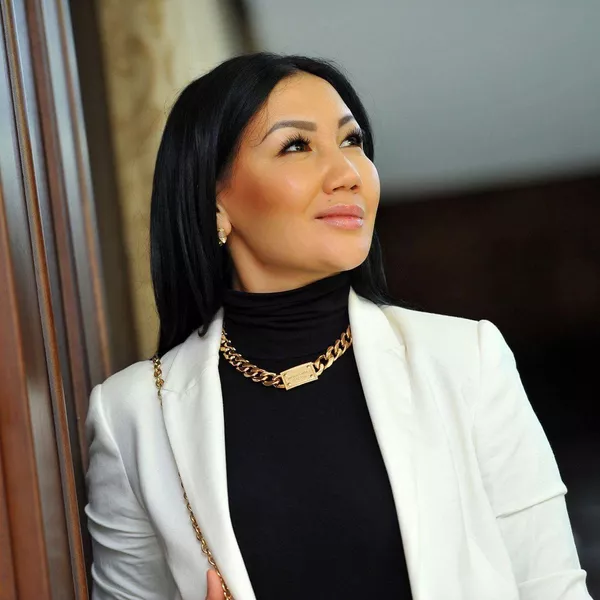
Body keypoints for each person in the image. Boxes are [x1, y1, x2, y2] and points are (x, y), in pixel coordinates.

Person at [85, 53, 592, 600]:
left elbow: (553, 588)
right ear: (215, 199)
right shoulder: (134, 415)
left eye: (352, 141)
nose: (348, 174)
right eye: (296, 146)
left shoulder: (466, 358)